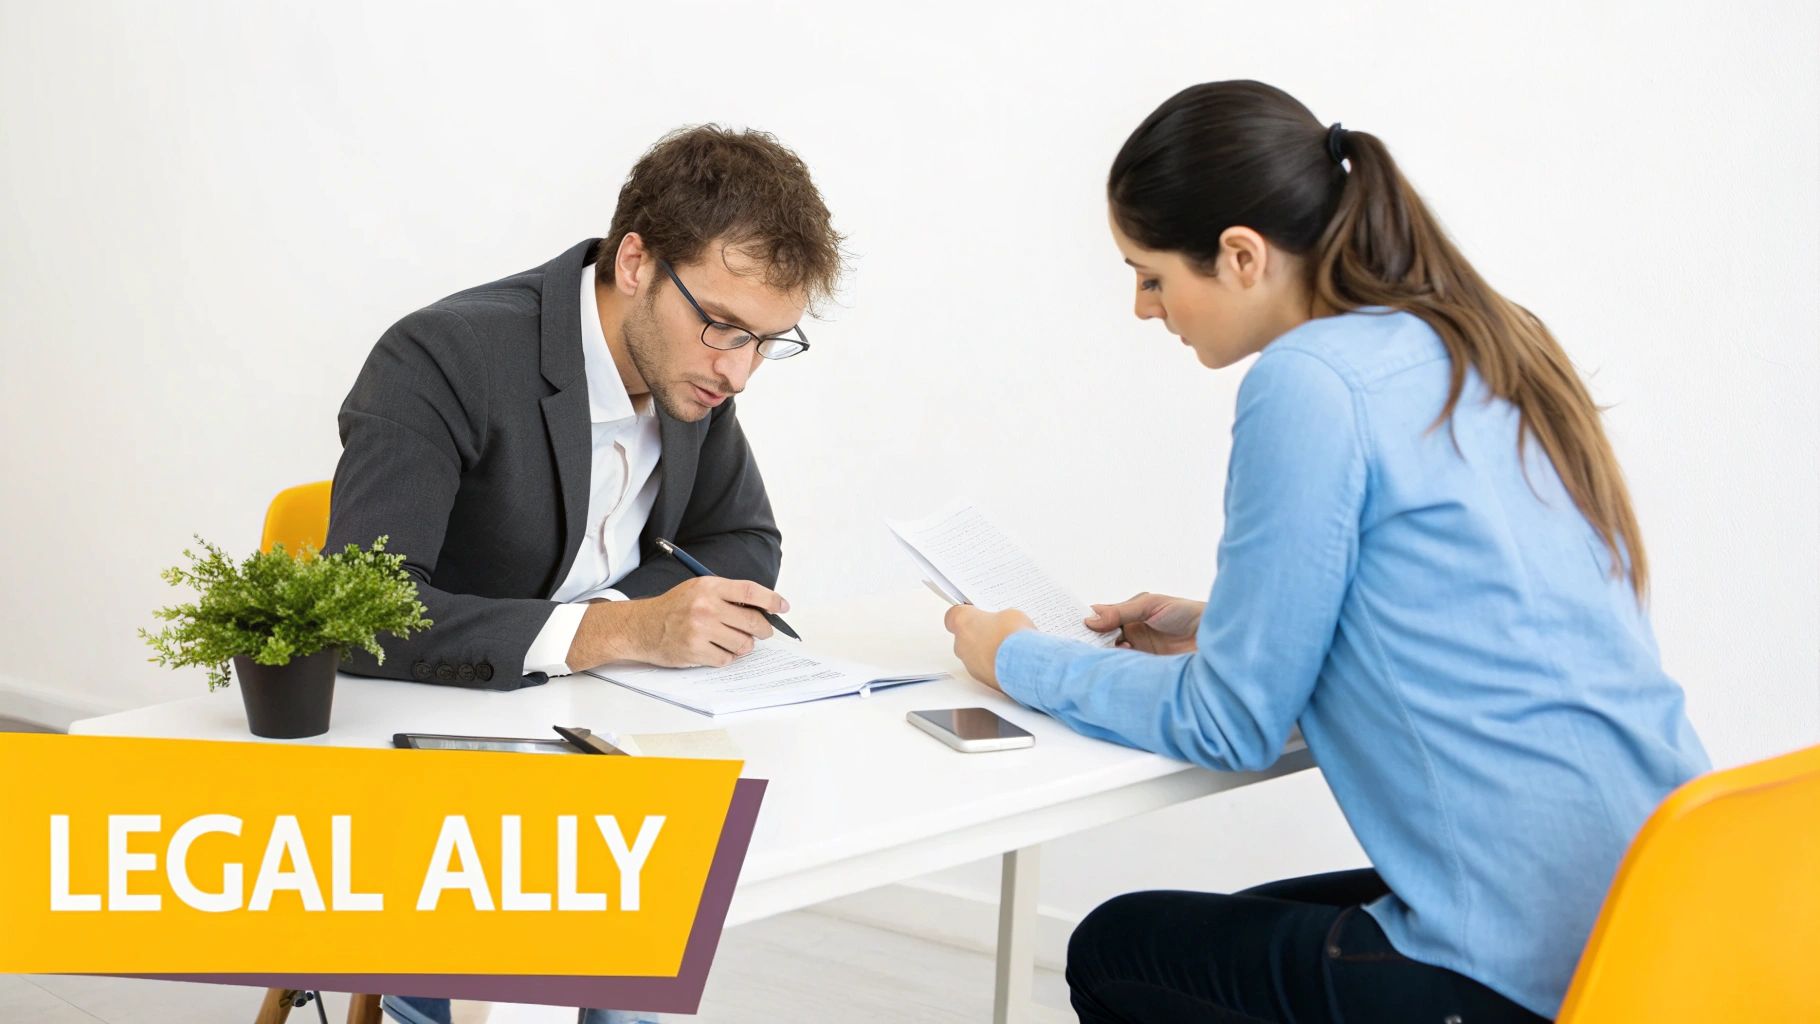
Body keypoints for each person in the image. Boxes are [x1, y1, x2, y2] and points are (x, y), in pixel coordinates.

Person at [943, 80, 1708, 1023]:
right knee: (1240, 929)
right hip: (1673, 909)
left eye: (1151, 276)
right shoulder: (1485, 340)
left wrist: (1017, 656)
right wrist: (1225, 626)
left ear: (1240, 256)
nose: (1144, 310)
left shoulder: (1311, 381)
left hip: (1525, 968)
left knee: (1117, 949)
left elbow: (1230, 726)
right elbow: (1474, 621)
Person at [321, 124, 844, 1024]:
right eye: (722, 325)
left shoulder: (695, 372)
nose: (740, 371)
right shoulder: (444, 358)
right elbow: (361, 612)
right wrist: (619, 631)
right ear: (635, 261)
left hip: (600, 745)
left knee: (639, 962)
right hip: (436, 751)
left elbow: (745, 540)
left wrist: (608, 626)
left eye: (768, 340)